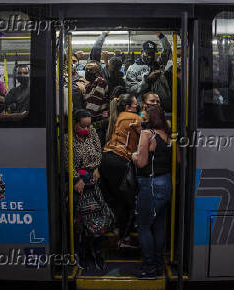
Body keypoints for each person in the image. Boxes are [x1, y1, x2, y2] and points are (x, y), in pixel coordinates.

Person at [63, 109, 114, 270]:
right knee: (80, 221)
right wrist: (76, 179)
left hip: (93, 178)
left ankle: (97, 251)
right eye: (83, 125)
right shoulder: (67, 138)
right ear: (75, 124)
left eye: (88, 125)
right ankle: (81, 252)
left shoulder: (92, 133)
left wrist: (97, 168)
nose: (86, 128)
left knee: (98, 216)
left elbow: (99, 152)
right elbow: (67, 161)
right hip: (78, 180)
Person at [131, 105, 172, 279]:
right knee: (159, 227)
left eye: (144, 115)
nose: (142, 117)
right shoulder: (168, 135)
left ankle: (149, 268)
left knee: (144, 226)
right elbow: (176, 159)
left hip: (151, 185)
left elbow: (141, 162)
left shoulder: (147, 134)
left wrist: (133, 155)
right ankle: (159, 265)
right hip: (166, 182)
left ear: (149, 118)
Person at [100, 94, 142, 248]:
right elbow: (151, 127)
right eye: (135, 105)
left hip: (107, 159)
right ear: (127, 107)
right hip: (119, 161)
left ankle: (117, 230)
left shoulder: (121, 116)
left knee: (118, 199)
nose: (137, 107)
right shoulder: (133, 117)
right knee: (128, 201)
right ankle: (123, 237)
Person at [125, 32, 171, 102]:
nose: (150, 56)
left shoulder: (158, 64)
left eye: (152, 53)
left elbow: (167, 50)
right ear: (141, 52)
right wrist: (147, 80)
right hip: (141, 106)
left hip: (159, 104)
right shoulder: (132, 69)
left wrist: (161, 36)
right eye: (148, 53)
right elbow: (130, 90)